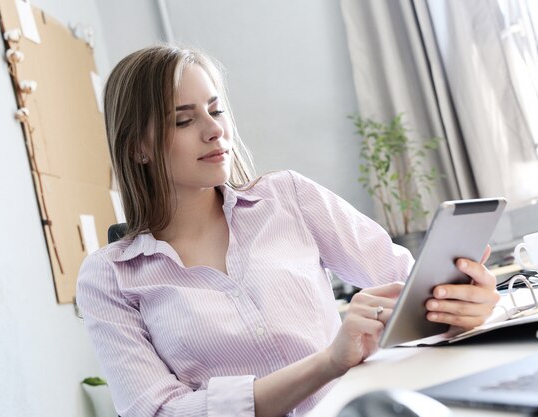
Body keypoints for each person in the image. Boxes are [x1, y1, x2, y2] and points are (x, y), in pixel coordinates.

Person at [76, 45, 500, 417]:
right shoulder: (109, 277)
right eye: (184, 121)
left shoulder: (288, 197)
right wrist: (328, 361)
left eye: (216, 109)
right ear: (138, 147)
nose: (214, 130)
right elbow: (161, 413)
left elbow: (410, 286)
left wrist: (462, 304)